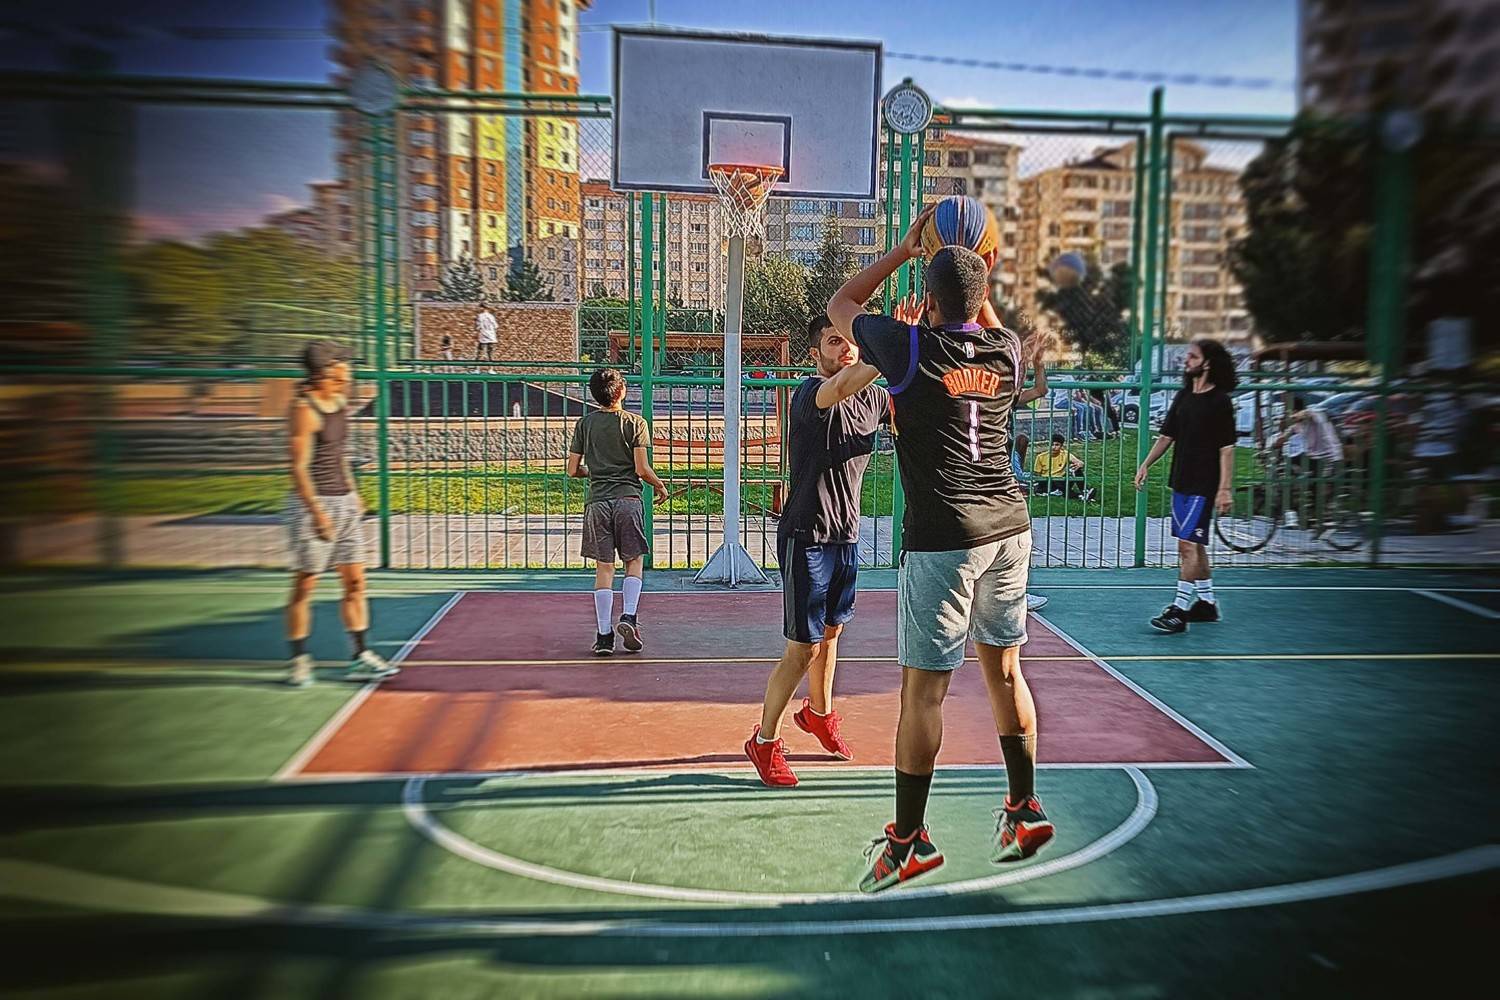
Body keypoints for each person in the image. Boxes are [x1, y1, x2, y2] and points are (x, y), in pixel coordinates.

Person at [826, 207, 1054, 893]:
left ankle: (908, 842)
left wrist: (903, 251)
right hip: (1009, 529)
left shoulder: (907, 348)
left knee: (923, 695)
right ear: (984, 296)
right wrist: (973, 268)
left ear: (926, 298)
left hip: (945, 538)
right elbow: (979, 315)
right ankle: (1024, 808)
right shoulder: (1007, 349)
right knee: (1006, 674)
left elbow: (841, 305)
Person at [743, 306, 906, 787]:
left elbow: (911, 405)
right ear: (815, 353)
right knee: (802, 649)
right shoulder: (810, 393)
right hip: (806, 535)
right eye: (835, 341)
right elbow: (843, 386)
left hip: (845, 535)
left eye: (851, 340)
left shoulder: (875, 398)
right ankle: (764, 741)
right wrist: (888, 348)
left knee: (832, 634)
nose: (846, 348)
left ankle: (818, 714)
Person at [284, 340, 397, 687]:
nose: (348, 370)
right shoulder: (304, 409)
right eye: (341, 364)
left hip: (344, 501)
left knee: (355, 583)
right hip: (314, 505)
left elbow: (339, 453)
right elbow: (299, 468)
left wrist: (353, 494)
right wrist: (317, 513)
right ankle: (300, 659)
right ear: (325, 371)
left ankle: (360, 655)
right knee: (305, 585)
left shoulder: (340, 402)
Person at [1133, 339, 1238, 634]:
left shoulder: (1220, 401)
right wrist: (1145, 464)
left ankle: (1179, 609)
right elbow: (1167, 436)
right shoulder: (1184, 396)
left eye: (1193, 356)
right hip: (1181, 479)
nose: (1186, 360)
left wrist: (1224, 488)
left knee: (1187, 545)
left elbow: (1227, 448)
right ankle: (1206, 603)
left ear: (1208, 363)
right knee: (1195, 543)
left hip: (1204, 483)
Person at [567, 368, 667, 655]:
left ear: (594, 394)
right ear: (621, 391)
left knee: (604, 567)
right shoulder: (635, 423)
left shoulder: (584, 424)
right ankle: (629, 616)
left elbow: (572, 470)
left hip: (597, 502)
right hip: (628, 500)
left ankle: (603, 636)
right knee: (633, 560)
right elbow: (641, 469)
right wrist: (660, 485)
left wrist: (595, 472)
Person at [1269, 396, 1343, 529]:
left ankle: (1324, 515)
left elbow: (1305, 414)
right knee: (1289, 474)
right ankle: (1298, 514)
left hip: (1330, 457)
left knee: (1319, 487)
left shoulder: (1314, 414)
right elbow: (1282, 438)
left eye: (1289, 411)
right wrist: (1271, 447)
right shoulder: (1297, 425)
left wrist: (1290, 417)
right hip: (1314, 458)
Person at [1032, 433, 1097, 501]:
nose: (1053, 447)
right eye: (1052, 444)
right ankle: (1080, 496)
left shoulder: (1065, 454)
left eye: (1057, 445)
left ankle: (1084, 490)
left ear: (1061, 446)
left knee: (1076, 469)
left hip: (1061, 480)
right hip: (1048, 481)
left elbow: (1079, 462)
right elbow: (1037, 475)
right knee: (1058, 485)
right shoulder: (1041, 457)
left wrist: (1079, 464)